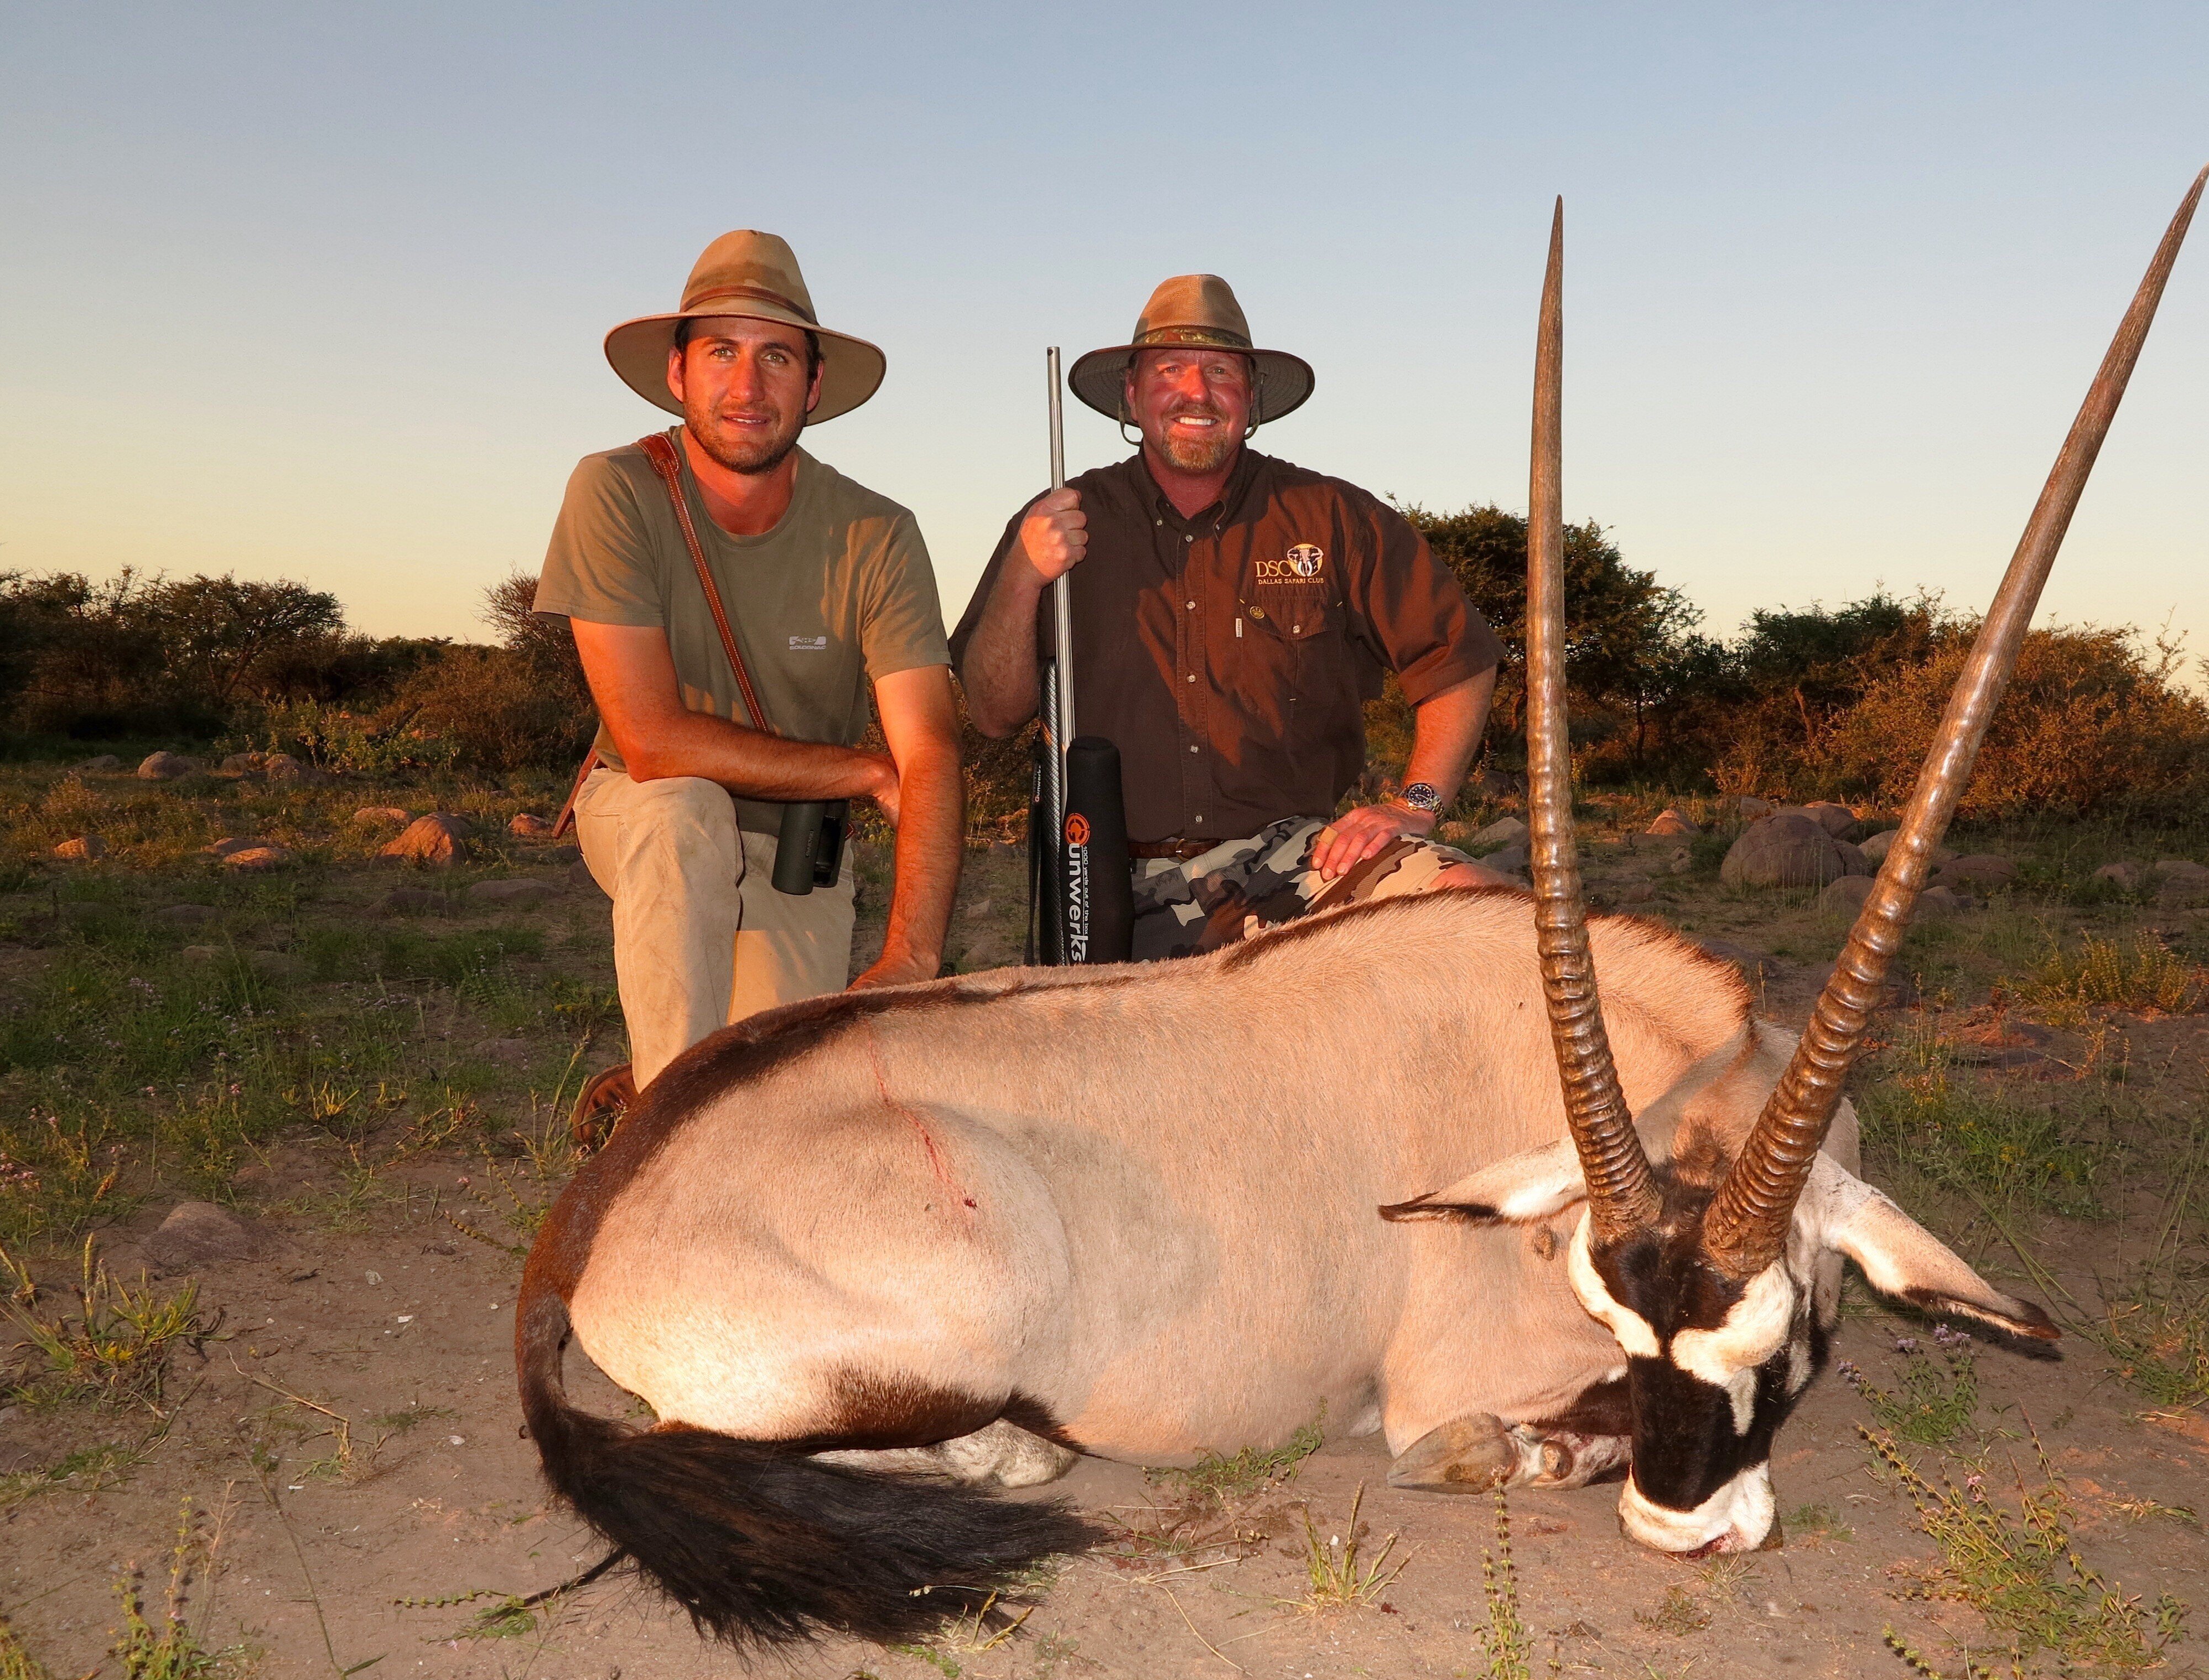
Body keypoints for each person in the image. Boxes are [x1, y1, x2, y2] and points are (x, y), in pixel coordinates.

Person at [953, 274, 1509, 961]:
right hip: (1100, 881)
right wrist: (1021, 576)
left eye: (1219, 371)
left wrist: (1413, 804)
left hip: (1296, 866)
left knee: (1493, 916)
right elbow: (990, 711)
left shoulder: (1335, 515)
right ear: (1131, 394)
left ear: (1250, 397)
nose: (1195, 393)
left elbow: (1458, 662)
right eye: (1169, 370)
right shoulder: (1056, 519)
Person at [536, 230, 961, 1121]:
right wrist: (865, 771)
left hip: (794, 849)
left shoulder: (880, 533)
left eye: (776, 357)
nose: (748, 385)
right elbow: (650, 741)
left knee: (780, 1107)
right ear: (679, 374)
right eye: (722, 352)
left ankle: (674, 1066)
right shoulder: (614, 489)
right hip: (645, 812)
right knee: (682, 811)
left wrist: (911, 960)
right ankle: (657, 1138)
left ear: (811, 386)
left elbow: (932, 745)